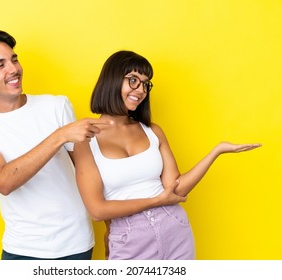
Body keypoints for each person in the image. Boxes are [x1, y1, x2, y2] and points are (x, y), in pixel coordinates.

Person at [73, 50, 261, 260]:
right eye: (133, 80)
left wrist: (216, 152)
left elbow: (176, 188)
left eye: (145, 83)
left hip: (174, 228)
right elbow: (97, 210)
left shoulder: (152, 131)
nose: (141, 90)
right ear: (112, 79)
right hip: (129, 238)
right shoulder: (85, 138)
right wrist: (156, 200)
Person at [0, 29, 109, 260]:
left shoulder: (56, 106)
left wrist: (113, 226)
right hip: (23, 249)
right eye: (0, 65)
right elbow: (3, 181)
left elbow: (88, 171)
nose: (14, 69)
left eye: (14, 59)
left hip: (76, 244)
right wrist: (60, 136)